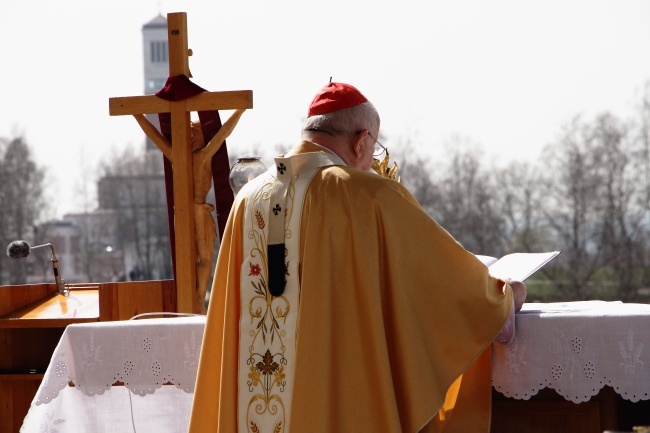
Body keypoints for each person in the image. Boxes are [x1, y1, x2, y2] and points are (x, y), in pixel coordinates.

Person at [188, 81, 526, 433]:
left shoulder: (248, 198)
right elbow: (446, 285)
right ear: (361, 141)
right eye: (374, 149)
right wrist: (502, 296)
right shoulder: (367, 196)